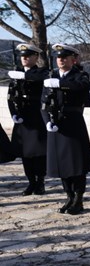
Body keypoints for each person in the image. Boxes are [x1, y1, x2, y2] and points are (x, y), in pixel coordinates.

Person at [41, 43, 90, 215]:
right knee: (61, 164)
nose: (61, 60)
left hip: (73, 123)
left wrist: (60, 84)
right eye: (58, 58)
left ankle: (79, 199)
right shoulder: (51, 76)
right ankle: (69, 196)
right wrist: (47, 121)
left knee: (76, 164)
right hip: (56, 125)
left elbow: (82, 87)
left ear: (73, 59)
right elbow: (44, 103)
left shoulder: (80, 75)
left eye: (65, 57)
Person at [7, 43, 48, 195]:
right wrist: (14, 114)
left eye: (28, 56)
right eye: (22, 56)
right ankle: (31, 181)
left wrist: (22, 76)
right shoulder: (16, 74)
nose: (24, 58)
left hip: (36, 117)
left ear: (36, 57)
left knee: (39, 152)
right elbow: (11, 97)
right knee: (25, 152)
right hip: (22, 117)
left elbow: (40, 78)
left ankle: (40, 181)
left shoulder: (42, 72)